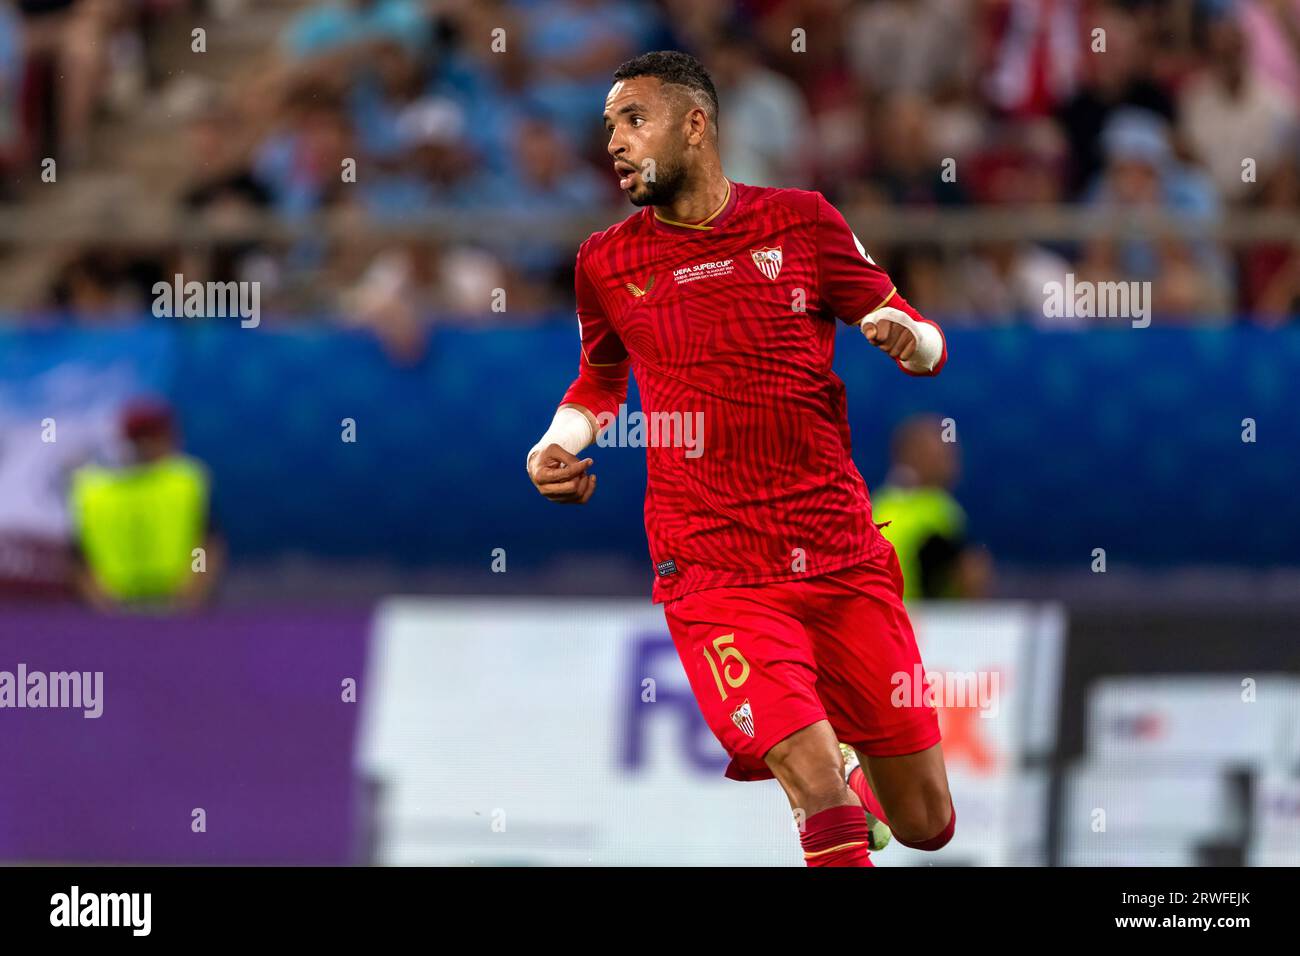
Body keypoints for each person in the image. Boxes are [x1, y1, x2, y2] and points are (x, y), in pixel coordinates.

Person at [525, 51, 954, 867]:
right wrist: (556, 445)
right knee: (814, 780)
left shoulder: (804, 222)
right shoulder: (605, 262)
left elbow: (920, 335)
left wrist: (913, 341)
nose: (613, 143)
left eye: (632, 120)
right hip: (715, 569)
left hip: (838, 553)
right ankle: (836, 789)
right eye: (607, 127)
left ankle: (869, 783)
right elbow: (597, 383)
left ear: (696, 124)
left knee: (928, 822)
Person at [69, 401, 223, 612]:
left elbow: (206, 545)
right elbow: (80, 558)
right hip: (116, 609)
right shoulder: (91, 489)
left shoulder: (186, 480)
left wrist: (192, 594)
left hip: (174, 604)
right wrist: (102, 605)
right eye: (163, 436)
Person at [871, 415, 992, 601]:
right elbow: (968, 577)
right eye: (943, 456)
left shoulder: (875, 504)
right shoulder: (939, 510)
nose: (952, 465)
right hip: (918, 622)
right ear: (911, 453)